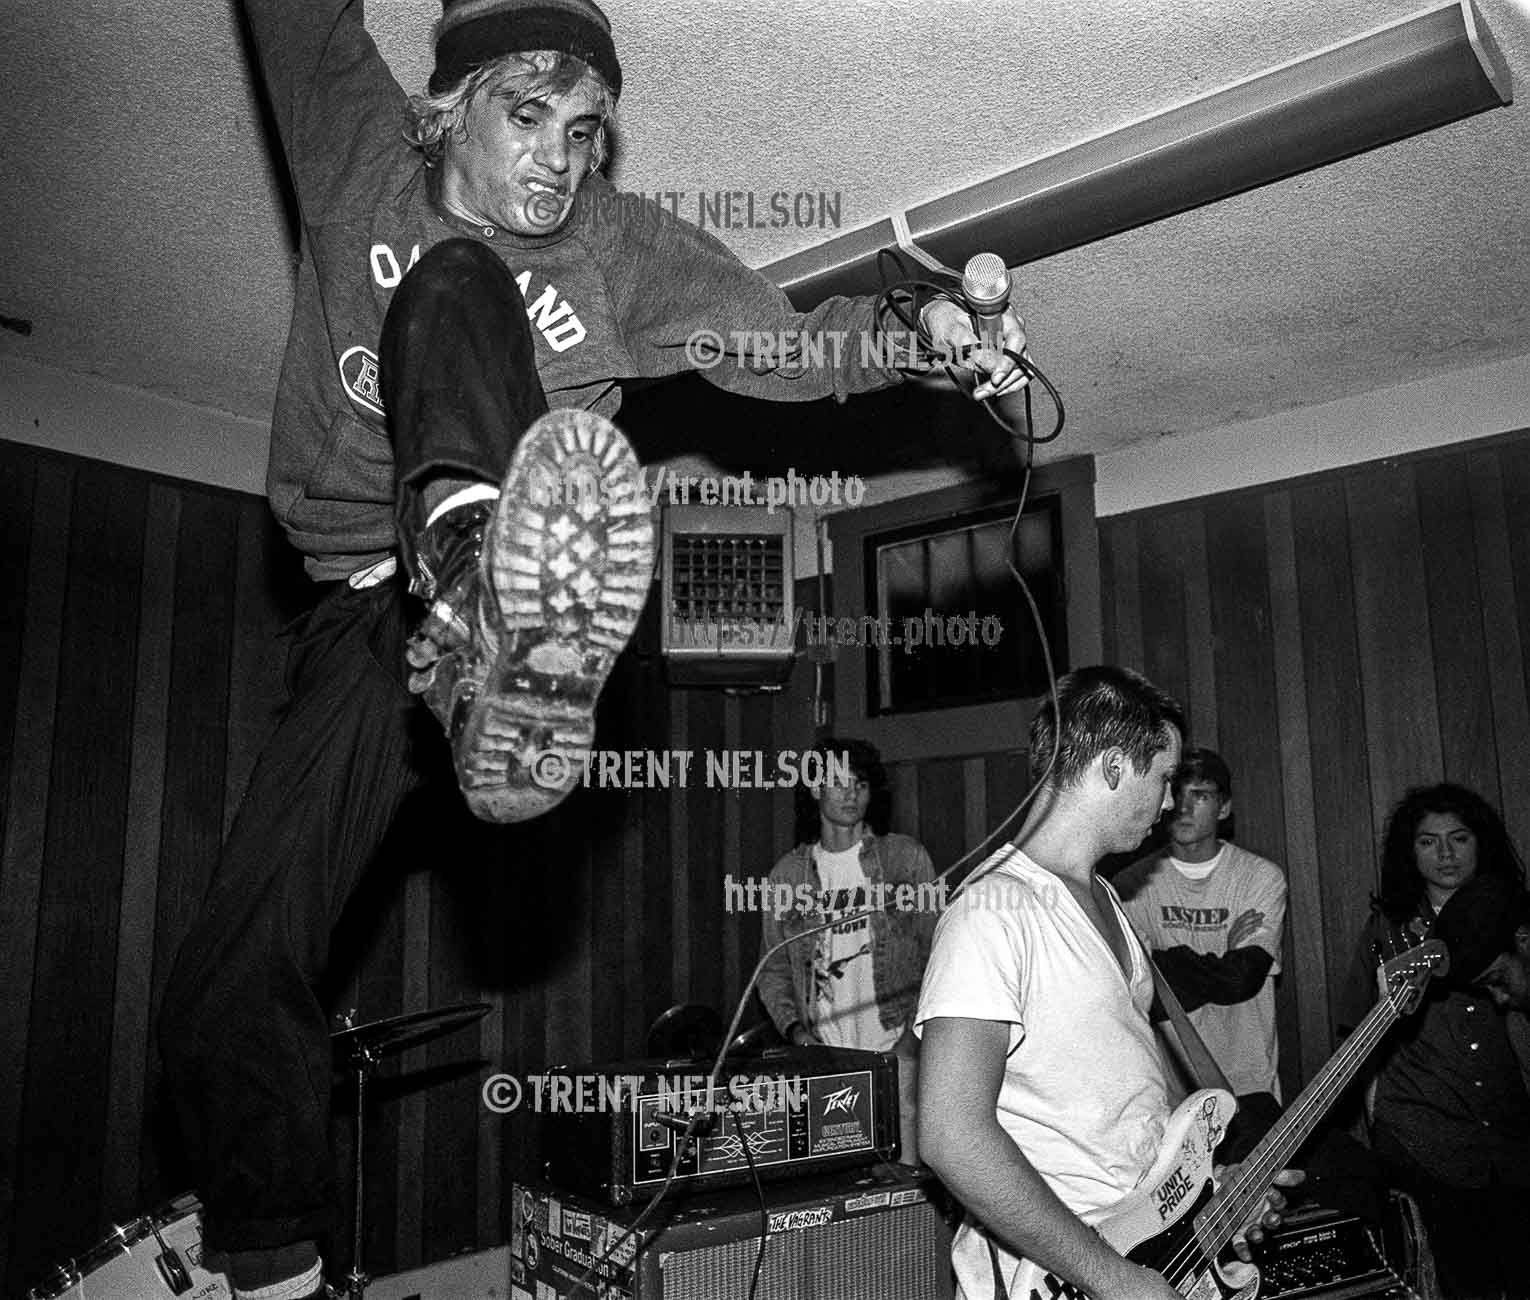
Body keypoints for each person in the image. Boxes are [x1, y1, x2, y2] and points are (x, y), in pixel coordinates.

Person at [157, 1, 1029, 1297]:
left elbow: (774, 343)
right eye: (529, 117)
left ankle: (502, 610)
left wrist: (918, 337)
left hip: (539, 597)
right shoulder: (356, 149)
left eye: (585, 132)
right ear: (444, 108)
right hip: (362, 619)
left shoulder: (613, 250)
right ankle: (275, 1270)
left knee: (472, 286)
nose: (561, 161)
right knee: (229, 962)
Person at [916, 667, 1298, 1300]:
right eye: (1165, 778)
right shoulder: (990, 910)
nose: (1172, 802)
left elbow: (1134, 1083)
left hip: (1150, 1245)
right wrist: (1112, 1276)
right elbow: (951, 1134)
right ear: (1115, 766)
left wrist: (1212, 1183)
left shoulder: (1108, 898)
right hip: (1070, 1274)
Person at [1349, 783, 1530, 1300]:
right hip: (1425, 1141)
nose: (1446, 854)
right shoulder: (1386, 928)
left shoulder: (1519, 922)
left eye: (1459, 838)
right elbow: (1359, 1038)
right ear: (1411, 852)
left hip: (1513, 1140)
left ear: (1483, 843)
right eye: (1429, 842)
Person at [757, 738, 937, 1161]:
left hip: (898, 1049)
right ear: (815, 789)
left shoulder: (904, 860)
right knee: (840, 1177)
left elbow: (939, 952)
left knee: (906, 1179)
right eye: (839, 782)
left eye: (860, 782)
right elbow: (773, 970)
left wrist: (911, 1040)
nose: (851, 792)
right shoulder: (788, 876)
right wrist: (798, 1036)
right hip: (827, 1056)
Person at [1113, 747, 1287, 1159]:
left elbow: (1241, 980)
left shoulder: (1261, 877)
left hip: (1248, 1083)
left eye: (1202, 795)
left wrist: (1167, 964)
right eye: (1177, 793)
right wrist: (1220, 958)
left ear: (1224, 807)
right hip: (1168, 1094)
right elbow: (1144, 993)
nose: (1184, 808)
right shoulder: (1130, 884)